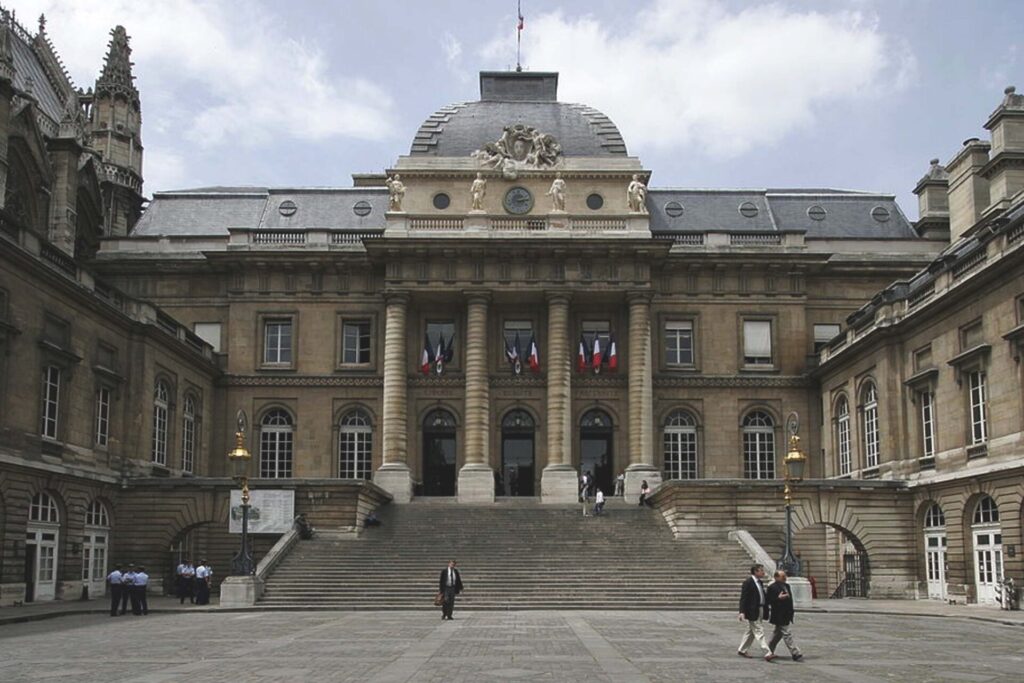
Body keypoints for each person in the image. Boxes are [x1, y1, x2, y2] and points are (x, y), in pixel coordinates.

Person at [737, 563, 773, 661]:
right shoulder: (748, 582)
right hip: (752, 610)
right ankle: (767, 652)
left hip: (760, 609)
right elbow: (743, 598)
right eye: (761, 570)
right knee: (758, 630)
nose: (763, 572)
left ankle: (742, 649)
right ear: (756, 571)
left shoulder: (760, 583)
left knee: (751, 631)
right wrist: (742, 612)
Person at [766, 570, 803, 661]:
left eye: (785, 576)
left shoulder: (787, 586)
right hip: (779, 614)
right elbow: (768, 601)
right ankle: (795, 653)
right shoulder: (772, 587)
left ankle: (768, 651)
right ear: (776, 577)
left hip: (787, 613)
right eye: (783, 577)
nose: (785, 578)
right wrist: (778, 598)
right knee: (787, 634)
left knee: (777, 635)